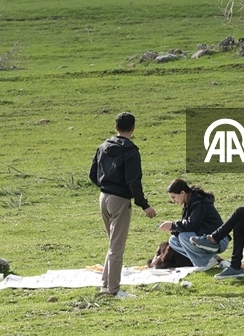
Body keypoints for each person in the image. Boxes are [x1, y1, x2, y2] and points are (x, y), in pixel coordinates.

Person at [89, 112, 156, 298]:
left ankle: (105, 284)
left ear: (115, 127)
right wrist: (144, 205)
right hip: (119, 200)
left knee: (112, 244)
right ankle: (113, 290)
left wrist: (105, 186)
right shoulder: (130, 151)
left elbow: (92, 174)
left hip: (103, 197)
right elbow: (134, 181)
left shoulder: (103, 146)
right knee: (117, 247)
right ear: (133, 128)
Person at [158, 179, 230, 272]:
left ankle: (204, 263)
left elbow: (192, 225)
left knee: (184, 236)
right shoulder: (189, 202)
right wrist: (173, 229)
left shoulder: (199, 202)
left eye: (174, 197)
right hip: (207, 238)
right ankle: (212, 259)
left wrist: (173, 225)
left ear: (183, 193)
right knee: (174, 241)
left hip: (218, 240)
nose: (173, 201)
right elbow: (189, 225)